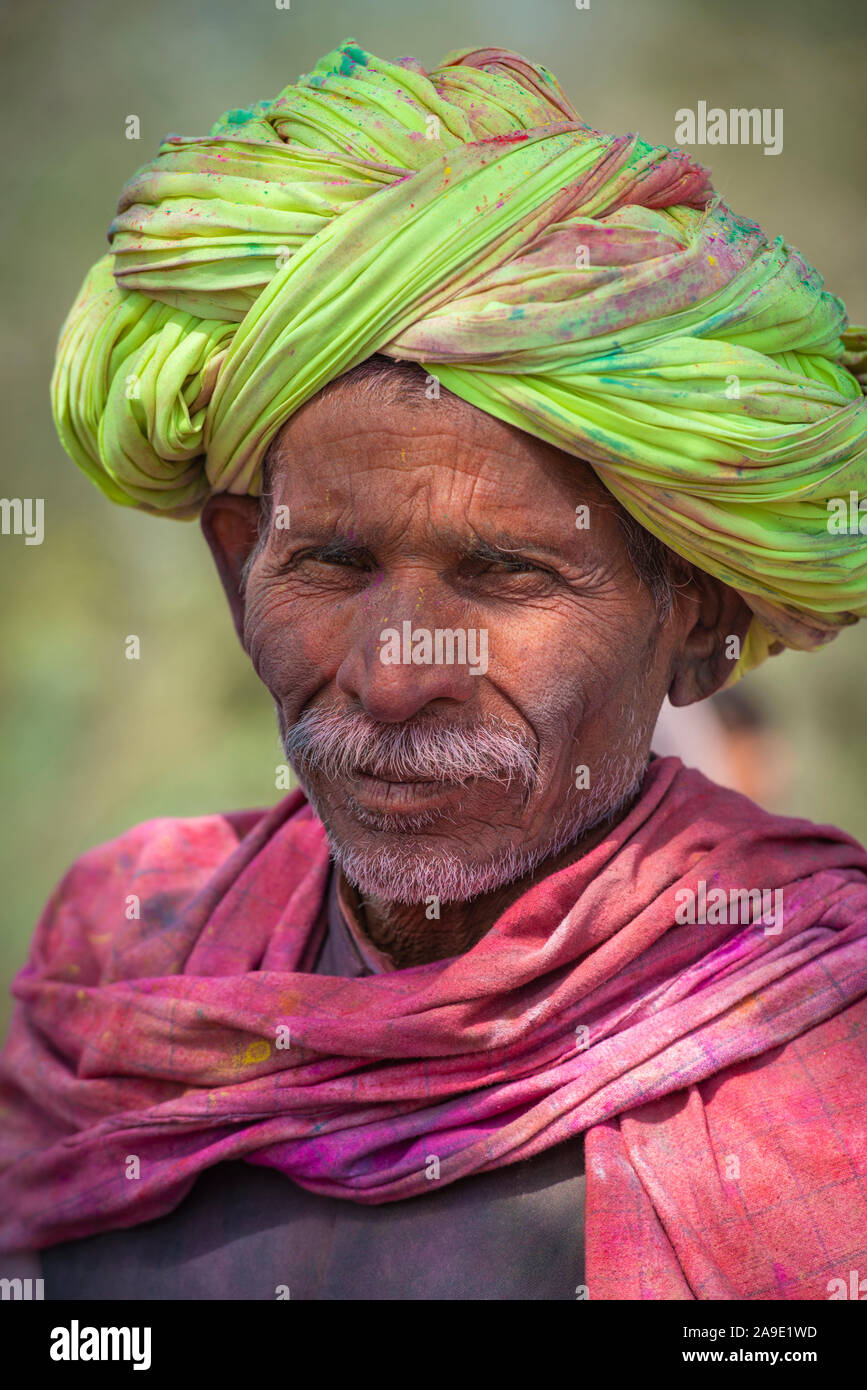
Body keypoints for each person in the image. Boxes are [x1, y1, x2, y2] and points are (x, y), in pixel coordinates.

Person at [2, 39, 866, 1301]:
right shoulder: (125, 957)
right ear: (239, 567)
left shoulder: (822, 1044)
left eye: (508, 575)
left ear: (700, 625)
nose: (396, 679)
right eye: (335, 563)